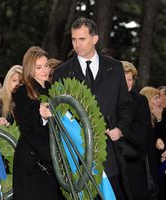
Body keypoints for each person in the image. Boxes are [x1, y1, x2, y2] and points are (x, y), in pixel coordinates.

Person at [52, 17, 133, 199]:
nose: (77, 44)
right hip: (76, 156)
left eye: (82, 39)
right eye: (74, 39)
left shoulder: (115, 68)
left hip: (109, 155)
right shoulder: (61, 73)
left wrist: (120, 129)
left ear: (95, 39)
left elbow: (125, 105)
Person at [12, 46, 59, 200]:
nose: (44, 70)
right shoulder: (22, 92)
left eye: (46, 66)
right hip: (32, 161)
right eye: (39, 67)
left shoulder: (54, 90)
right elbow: (27, 129)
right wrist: (44, 118)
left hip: (52, 160)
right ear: (30, 69)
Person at [122, 61, 158, 200]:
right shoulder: (109, 99)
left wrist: (119, 131)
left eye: (130, 79)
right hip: (113, 165)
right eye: (124, 80)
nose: (128, 83)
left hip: (134, 163)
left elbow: (142, 134)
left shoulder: (140, 101)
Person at [140, 86, 166, 200]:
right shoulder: (143, 120)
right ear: (148, 100)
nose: (160, 101)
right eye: (156, 98)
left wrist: (160, 118)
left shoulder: (160, 116)